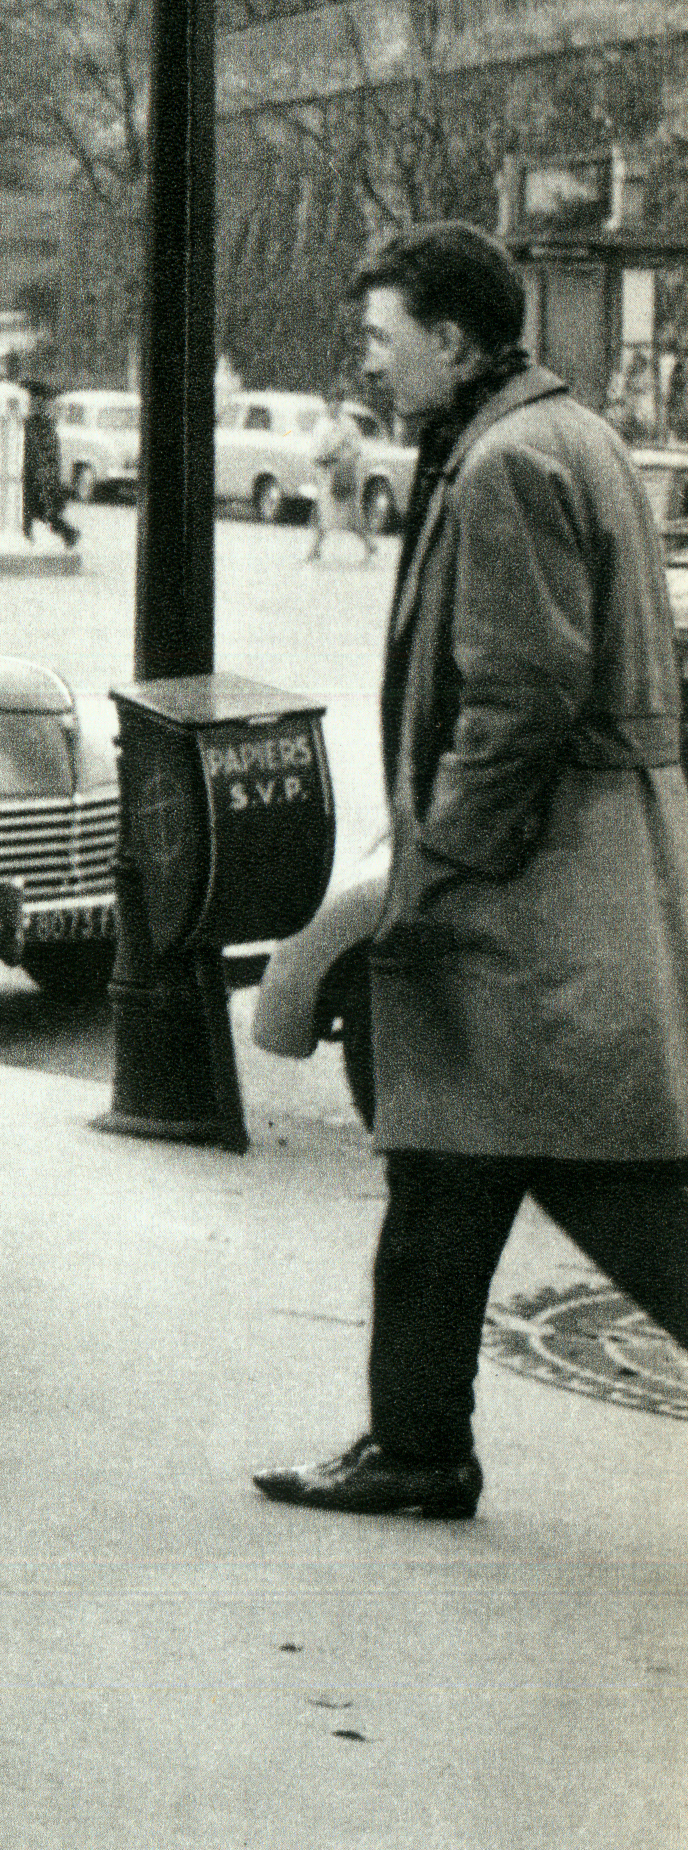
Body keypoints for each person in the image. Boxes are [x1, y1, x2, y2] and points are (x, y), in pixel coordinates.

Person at [253, 221, 688, 1522]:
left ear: (451, 340)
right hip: (570, 883)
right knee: (443, 1166)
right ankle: (416, 1443)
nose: (369, 364)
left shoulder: (505, 464)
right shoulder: (561, 433)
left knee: (619, 1188)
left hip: (531, 904)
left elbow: (518, 704)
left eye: (384, 339)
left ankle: (418, 1445)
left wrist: (429, 879)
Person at [305, 397, 373, 562]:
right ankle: (315, 549)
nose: (334, 407)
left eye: (337, 404)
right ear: (326, 404)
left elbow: (356, 449)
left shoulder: (348, 425)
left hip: (342, 473)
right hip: (325, 474)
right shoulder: (321, 424)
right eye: (331, 404)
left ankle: (368, 545)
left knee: (349, 514)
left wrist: (342, 457)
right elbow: (315, 451)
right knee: (324, 513)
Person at [18, 383, 78, 549]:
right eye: (32, 401)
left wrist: (47, 477)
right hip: (29, 475)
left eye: (36, 401)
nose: (33, 404)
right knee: (33, 512)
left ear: (41, 403)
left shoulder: (44, 426)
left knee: (37, 512)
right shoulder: (31, 423)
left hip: (39, 477)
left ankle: (68, 534)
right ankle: (68, 534)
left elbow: (49, 455)